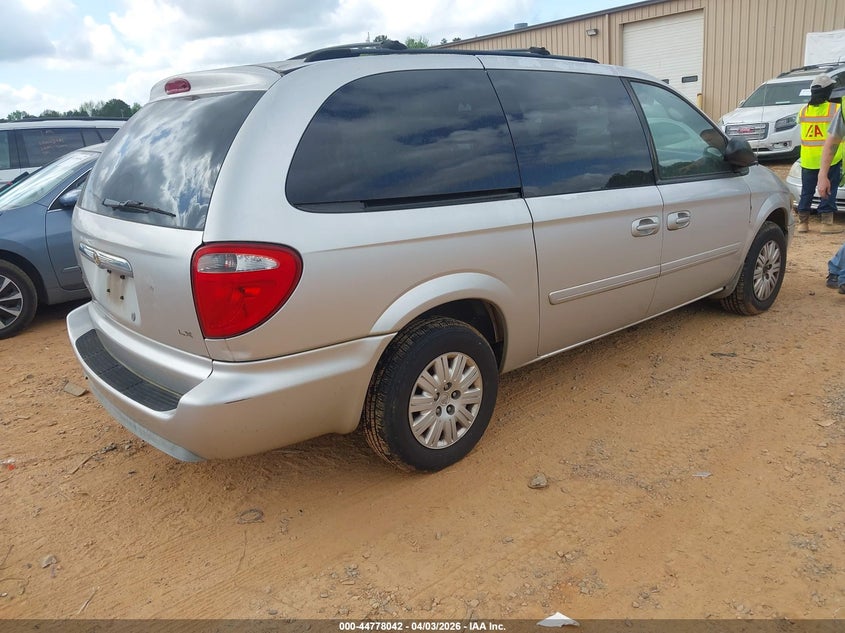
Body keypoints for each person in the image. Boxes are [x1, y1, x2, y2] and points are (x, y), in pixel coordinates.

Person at [796, 74, 843, 234]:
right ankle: (826, 224)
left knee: (806, 191)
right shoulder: (836, 109)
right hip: (830, 159)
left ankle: (803, 223)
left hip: (808, 159)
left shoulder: (803, 111)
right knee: (829, 190)